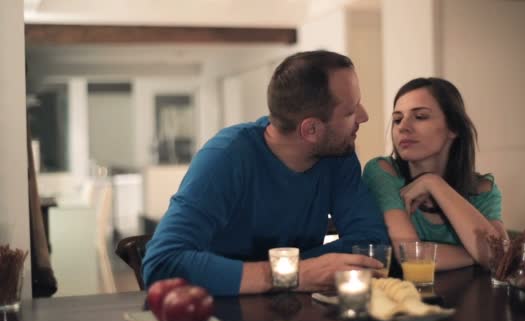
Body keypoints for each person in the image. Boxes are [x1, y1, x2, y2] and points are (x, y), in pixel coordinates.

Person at [142, 50, 389, 296]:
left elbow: (371, 245)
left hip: (297, 315)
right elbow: (162, 264)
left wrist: (294, 272)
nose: (364, 116)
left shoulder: (337, 155)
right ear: (311, 129)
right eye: (350, 111)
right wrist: (292, 274)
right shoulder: (225, 157)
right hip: (223, 318)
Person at [362, 77, 508, 271]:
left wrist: (433, 183)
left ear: (453, 127)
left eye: (420, 116)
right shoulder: (382, 172)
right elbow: (411, 257)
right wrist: (477, 254)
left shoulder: (482, 189)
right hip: (405, 298)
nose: (403, 127)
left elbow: (500, 259)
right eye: (397, 119)